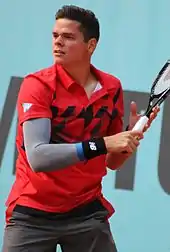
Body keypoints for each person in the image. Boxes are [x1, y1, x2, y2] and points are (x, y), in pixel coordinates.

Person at [2, 5, 159, 252]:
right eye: (55, 36)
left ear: (91, 45)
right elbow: (38, 156)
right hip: (32, 214)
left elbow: (112, 162)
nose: (58, 43)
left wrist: (130, 137)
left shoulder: (111, 87)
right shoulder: (37, 85)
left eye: (68, 37)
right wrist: (105, 143)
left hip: (86, 211)